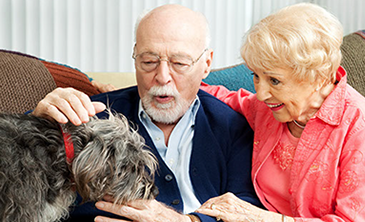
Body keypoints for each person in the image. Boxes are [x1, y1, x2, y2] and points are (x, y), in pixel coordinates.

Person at [32, 4, 262, 222]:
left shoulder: (232, 127)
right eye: (149, 61)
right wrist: (33, 124)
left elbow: (249, 206)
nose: (162, 77)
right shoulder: (91, 116)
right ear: (135, 57)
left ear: (207, 63)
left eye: (179, 63)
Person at [196, 3, 365, 222]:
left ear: (318, 78)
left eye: (274, 80)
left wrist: (261, 218)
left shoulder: (362, 127)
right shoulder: (267, 108)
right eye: (256, 75)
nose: (261, 93)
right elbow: (228, 97)